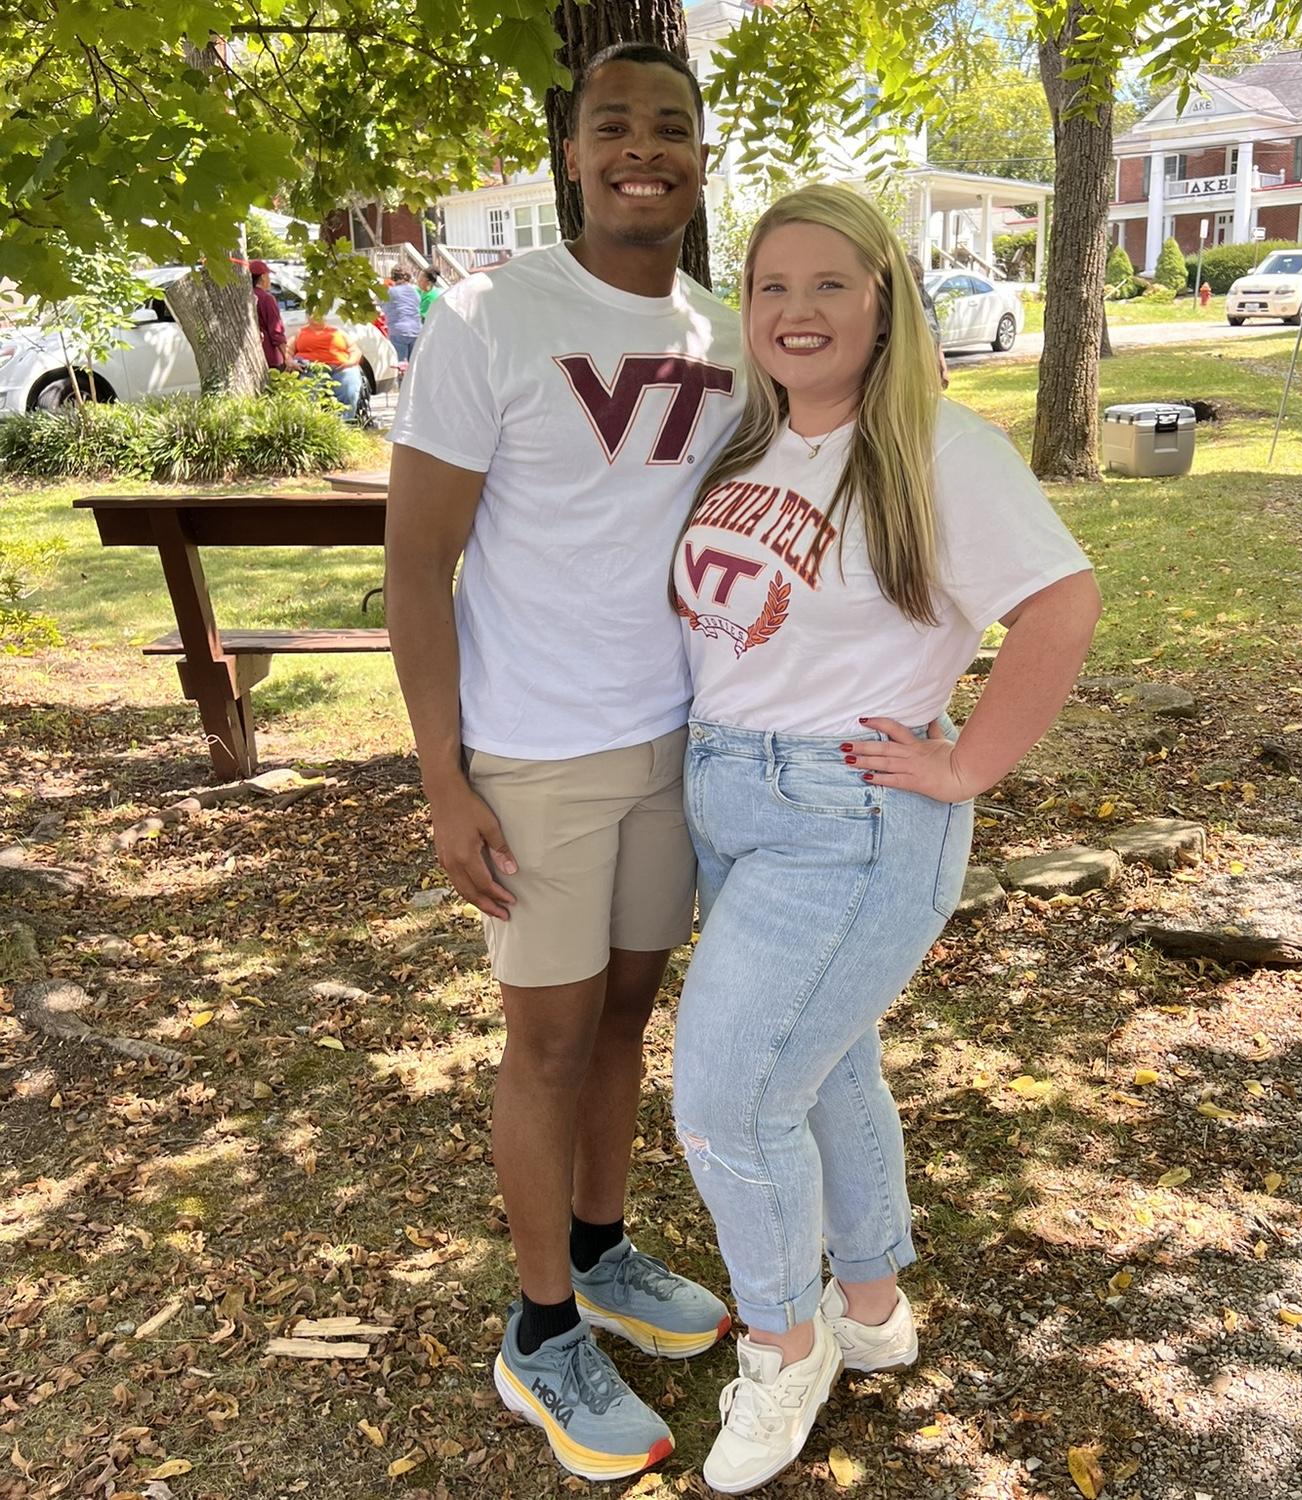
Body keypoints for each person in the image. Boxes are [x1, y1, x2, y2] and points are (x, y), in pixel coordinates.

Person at [669, 184, 1100, 1496]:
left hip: (849, 820)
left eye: (829, 285)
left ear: (884, 302)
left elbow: (1063, 605)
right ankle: (870, 1307)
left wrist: (967, 760)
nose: (796, 312)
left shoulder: (936, 448)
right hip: (731, 801)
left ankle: (785, 1343)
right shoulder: (747, 449)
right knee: (828, 1071)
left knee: (731, 1102)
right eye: (769, 288)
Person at [383, 41, 743, 1486]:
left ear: (699, 159)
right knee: (544, 1037)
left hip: (675, 736)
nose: (641, 149)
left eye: (669, 127)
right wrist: (441, 774)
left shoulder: (720, 333)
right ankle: (539, 1332)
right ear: (575, 152)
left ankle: (599, 1251)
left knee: (624, 1017)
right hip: (534, 749)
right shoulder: (488, 313)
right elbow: (416, 566)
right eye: (614, 127)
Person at [291, 312, 364, 422]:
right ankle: (312, 424)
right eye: (311, 312)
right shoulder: (300, 333)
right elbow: (288, 350)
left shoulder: (338, 332)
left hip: (341, 367)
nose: (315, 315)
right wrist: (290, 362)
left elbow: (355, 350)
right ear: (307, 316)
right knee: (309, 393)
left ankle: (344, 424)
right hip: (311, 368)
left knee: (350, 387)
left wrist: (350, 362)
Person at [905, 251, 948, 389]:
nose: (917, 282)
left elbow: (934, 332)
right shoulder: (896, 302)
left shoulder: (924, 298)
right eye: (912, 277)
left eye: (918, 277)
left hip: (926, 362)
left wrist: (941, 363)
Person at [248, 259, 288, 372]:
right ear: (263, 277)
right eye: (268, 276)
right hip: (271, 358)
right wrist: (287, 357)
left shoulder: (245, 297)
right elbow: (276, 332)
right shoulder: (266, 298)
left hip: (253, 358)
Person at [384, 267, 423, 363]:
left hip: (398, 330)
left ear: (393, 278)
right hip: (416, 329)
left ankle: (402, 377)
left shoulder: (391, 292)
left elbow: (383, 307)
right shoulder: (416, 291)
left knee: (401, 363)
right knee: (414, 364)